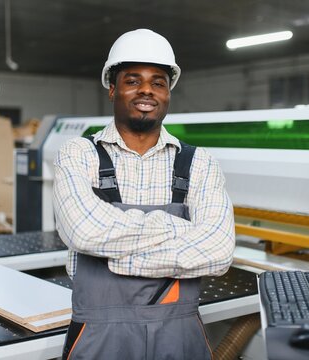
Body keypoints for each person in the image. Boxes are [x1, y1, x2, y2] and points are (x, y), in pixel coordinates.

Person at [53, 28, 235, 360]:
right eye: (133, 80)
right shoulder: (79, 154)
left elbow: (219, 252)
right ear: (112, 88)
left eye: (158, 82)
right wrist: (182, 230)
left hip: (180, 335)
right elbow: (83, 231)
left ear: (168, 92)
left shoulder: (199, 163)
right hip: (99, 336)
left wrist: (115, 255)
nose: (146, 90)